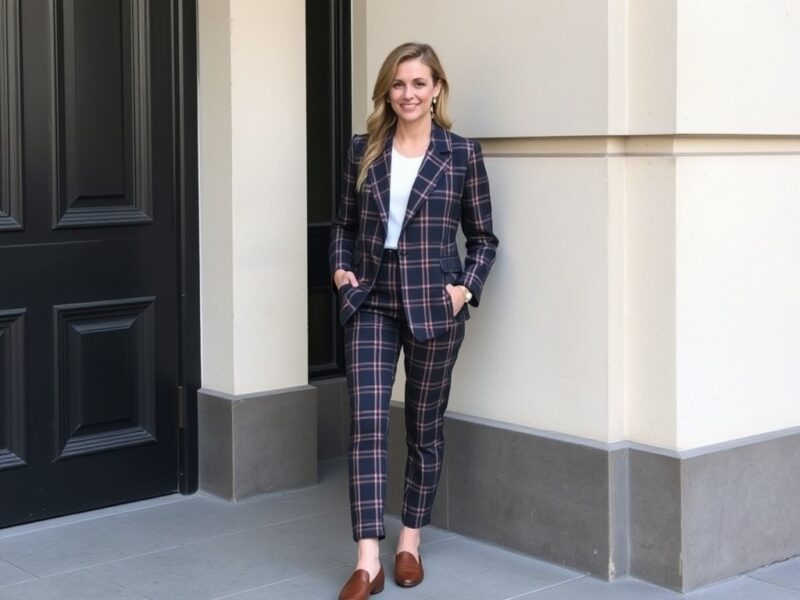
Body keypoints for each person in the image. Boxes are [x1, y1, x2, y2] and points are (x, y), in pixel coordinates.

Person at [329, 42, 499, 600]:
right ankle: (368, 560)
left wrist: (463, 289)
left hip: (434, 305)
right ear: (387, 91)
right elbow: (344, 226)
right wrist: (340, 270)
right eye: (399, 84)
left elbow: (483, 238)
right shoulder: (364, 150)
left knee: (423, 430)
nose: (408, 94)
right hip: (372, 299)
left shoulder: (461, 154)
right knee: (368, 425)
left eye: (419, 83)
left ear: (437, 90)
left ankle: (409, 544)